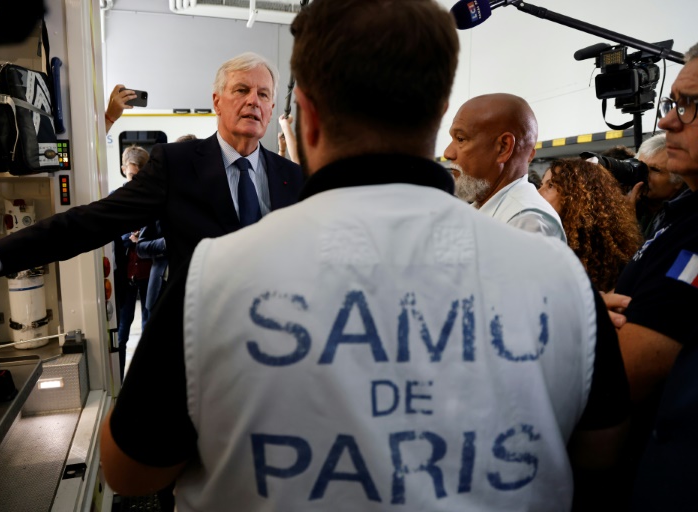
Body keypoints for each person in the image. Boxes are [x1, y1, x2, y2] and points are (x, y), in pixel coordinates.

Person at [100, 1, 628, 510]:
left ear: (304, 119)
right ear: (439, 114)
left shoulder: (212, 281)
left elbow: (128, 473)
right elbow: (601, 453)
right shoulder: (560, 279)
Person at [0, 52, 304, 281]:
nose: (253, 101)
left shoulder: (291, 177)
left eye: (264, 94)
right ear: (217, 101)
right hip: (197, 347)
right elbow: (91, 222)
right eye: (241, 90)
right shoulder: (176, 164)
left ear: (272, 111)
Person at [614, 42, 698, 511]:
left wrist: (577, 320)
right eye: (671, 103)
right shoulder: (681, 215)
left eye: (691, 106)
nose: (668, 123)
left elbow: (622, 374)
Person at [444, 94, 566, 241]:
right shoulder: (482, 210)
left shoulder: (527, 222)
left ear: (503, 148)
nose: (448, 153)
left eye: (461, 139)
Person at [538, 158, 642, 292]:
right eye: (541, 185)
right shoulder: (548, 239)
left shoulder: (608, 259)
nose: (538, 193)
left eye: (550, 185)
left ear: (576, 196)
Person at [114, 146, 152, 380]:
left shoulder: (157, 199)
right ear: (123, 171)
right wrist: (128, 238)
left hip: (150, 276)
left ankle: (146, 380)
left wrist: (144, 240)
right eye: (131, 177)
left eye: (140, 177)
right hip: (125, 277)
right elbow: (112, 234)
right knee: (121, 332)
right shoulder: (116, 198)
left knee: (150, 331)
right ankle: (119, 379)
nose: (136, 182)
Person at [633, 133, 688, 239]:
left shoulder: (686, 219)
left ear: (680, 180)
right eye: (640, 166)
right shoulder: (636, 206)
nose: (642, 175)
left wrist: (628, 224)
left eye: (654, 170)